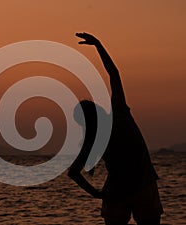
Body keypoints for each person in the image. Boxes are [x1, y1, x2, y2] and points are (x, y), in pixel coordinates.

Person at [68, 33, 163, 225]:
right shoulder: (119, 112)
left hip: (116, 192)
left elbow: (73, 172)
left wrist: (95, 193)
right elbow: (114, 74)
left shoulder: (94, 139)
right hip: (143, 186)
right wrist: (98, 45)